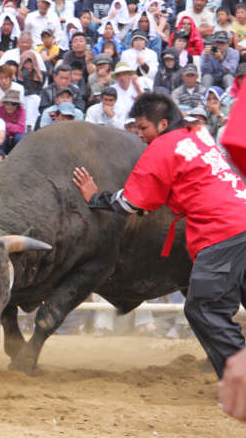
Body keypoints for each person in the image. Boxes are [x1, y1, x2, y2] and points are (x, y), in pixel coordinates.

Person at [73, 92, 246, 380]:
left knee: (204, 309)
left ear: (163, 124)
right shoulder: (197, 132)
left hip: (222, 231)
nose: (138, 134)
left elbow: (132, 202)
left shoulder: (162, 147)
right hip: (241, 217)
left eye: (143, 128)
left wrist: (96, 197)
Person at [0, 89, 25, 153]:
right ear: (3, 103)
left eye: (14, 103)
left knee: (20, 138)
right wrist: (11, 128)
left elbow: (21, 129)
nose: (10, 106)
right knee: (1, 138)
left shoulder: (21, 110)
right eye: (8, 103)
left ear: (18, 105)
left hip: (15, 137)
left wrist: (3, 125)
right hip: (1, 136)